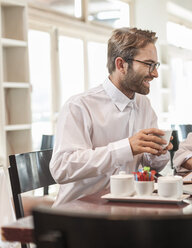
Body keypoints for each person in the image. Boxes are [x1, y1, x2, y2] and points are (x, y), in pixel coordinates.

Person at [50, 27, 172, 206]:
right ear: (121, 64)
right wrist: (127, 147)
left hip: (124, 208)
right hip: (79, 213)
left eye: (156, 65)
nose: (155, 74)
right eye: (148, 64)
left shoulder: (144, 105)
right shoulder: (79, 106)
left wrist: (157, 152)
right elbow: (61, 168)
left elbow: (150, 167)